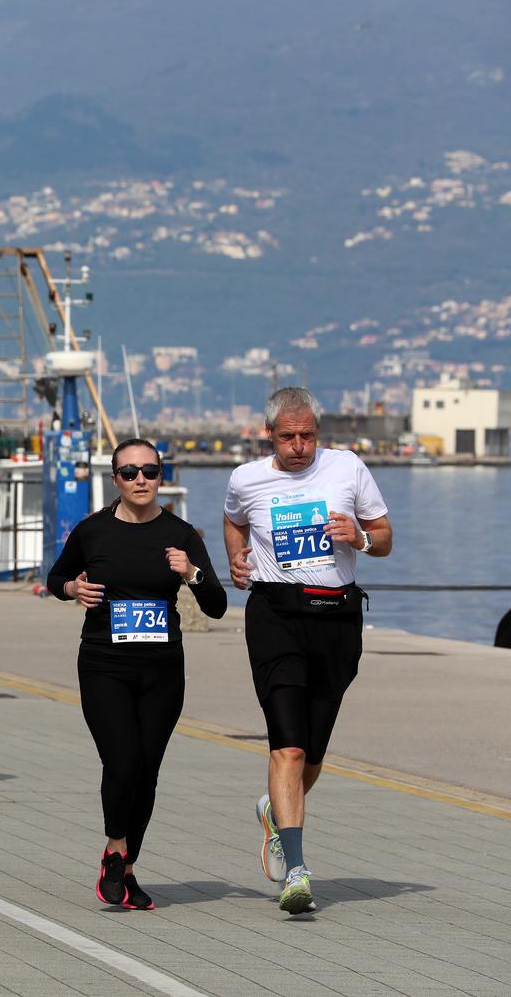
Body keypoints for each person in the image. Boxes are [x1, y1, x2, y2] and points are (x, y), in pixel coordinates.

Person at [223, 387, 393, 915]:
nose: (299, 446)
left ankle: (275, 813)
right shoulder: (246, 479)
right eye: (288, 436)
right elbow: (234, 521)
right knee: (288, 747)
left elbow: (385, 537)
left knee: (313, 752)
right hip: (275, 615)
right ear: (268, 434)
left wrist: (359, 538)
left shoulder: (347, 469)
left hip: (336, 618)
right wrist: (236, 559)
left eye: (308, 436)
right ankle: (296, 870)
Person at [47, 438, 227, 910]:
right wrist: (72, 587)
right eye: (130, 473)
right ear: (116, 480)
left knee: (146, 772)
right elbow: (56, 579)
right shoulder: (93, 532)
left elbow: (218, 605)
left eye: (149, 471)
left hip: (163, 670)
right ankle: (113, 848)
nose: (140, 480)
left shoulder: (183, 534)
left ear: (161, 476)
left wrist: (191, 573)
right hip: (104, 665)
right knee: (123, 761)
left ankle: (126, 870)